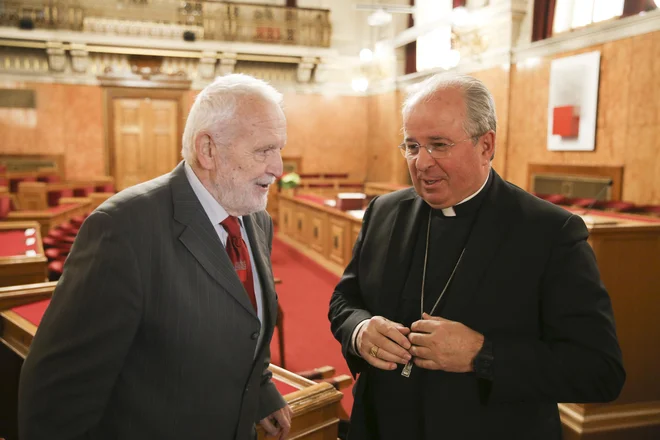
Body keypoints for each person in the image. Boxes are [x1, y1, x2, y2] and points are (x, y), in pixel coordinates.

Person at [328, 74, 625, 439]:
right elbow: (345, 298)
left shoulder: (549, 233)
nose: (422, 163)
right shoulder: (385, 211)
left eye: (438, 145)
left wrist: (482, 355)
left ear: (486, 146)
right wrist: (359, 330)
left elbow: (599, 371)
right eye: (412, 145)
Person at [19, 74, 292, 440]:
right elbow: (57, 398)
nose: (279, 168)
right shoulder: (121, 229)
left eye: (279, 149)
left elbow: (245, 322)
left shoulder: (256, 219)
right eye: (264, 150)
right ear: (208, 149)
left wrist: (260, 389)